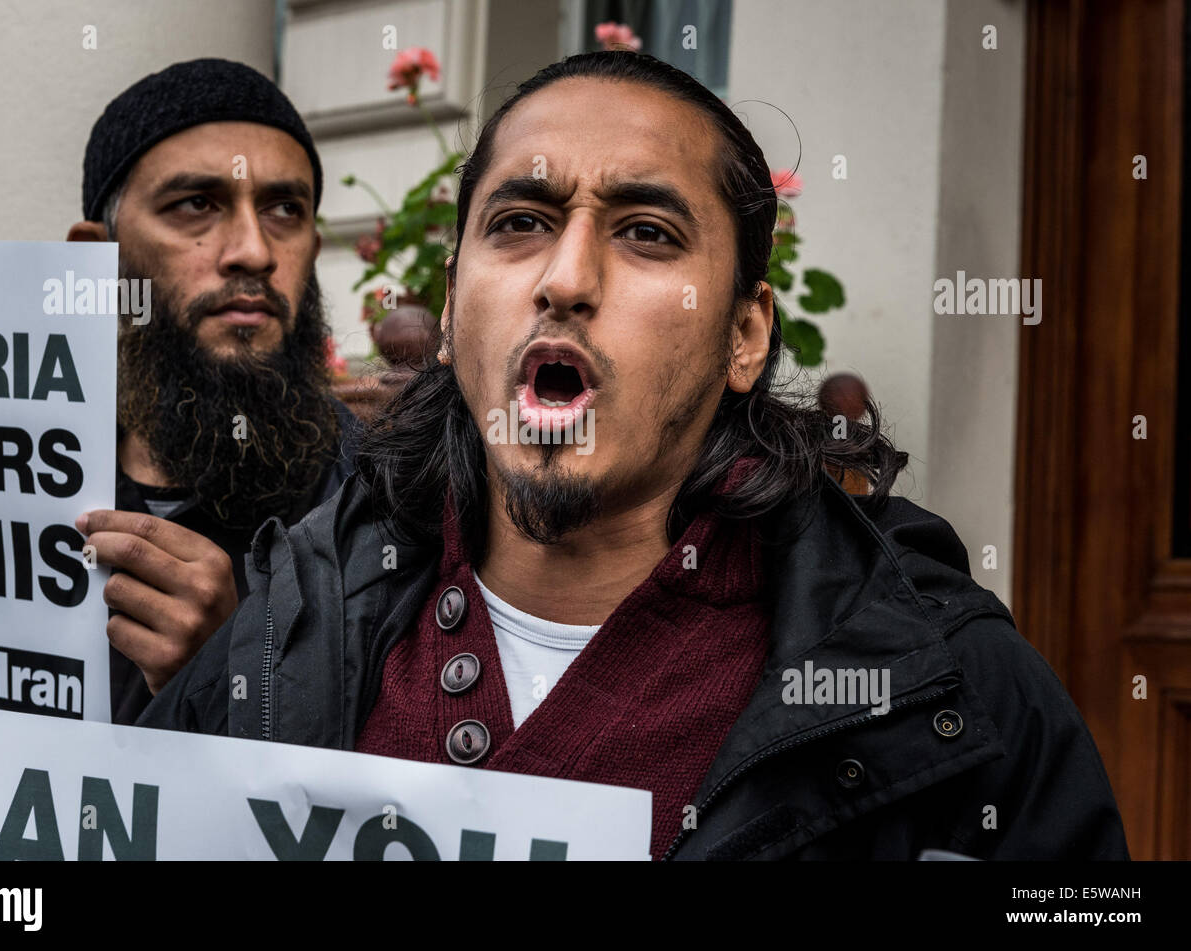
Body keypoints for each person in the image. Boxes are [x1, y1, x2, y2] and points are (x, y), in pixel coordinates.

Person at [137, 51, 1128, 861]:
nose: (566, 278)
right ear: (449, 308)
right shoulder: (286, 630)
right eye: (518, 224)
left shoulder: (950, 692)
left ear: (743, 334)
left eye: (647, 234)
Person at [66, 59, 359, 725]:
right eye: (196, 204)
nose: (254, 250)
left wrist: (238, 668)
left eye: (285, 209)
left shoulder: (386, 507)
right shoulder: (4, 488)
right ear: (95, 259)